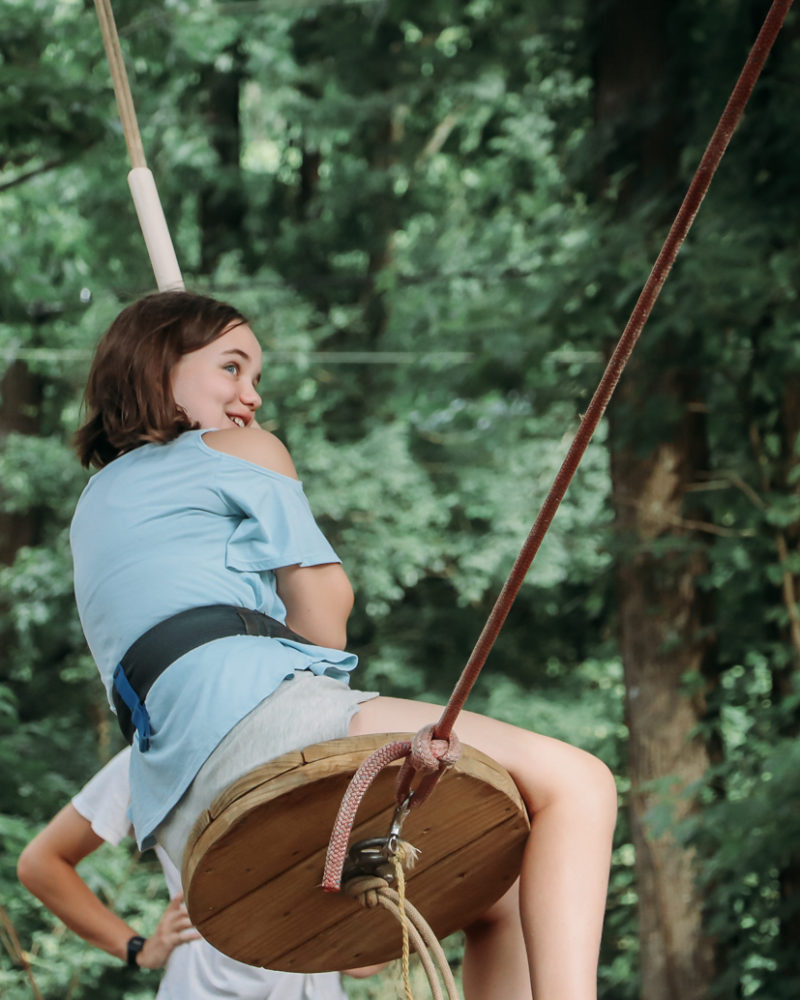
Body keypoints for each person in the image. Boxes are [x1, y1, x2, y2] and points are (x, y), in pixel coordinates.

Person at [69, 290, 618, 1000]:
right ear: (157, 367)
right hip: (256, 726)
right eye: (231, 368)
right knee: (579, 783)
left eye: (256, 378)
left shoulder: (94, 504)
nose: (251, 397)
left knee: (502, 896)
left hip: (178, 806)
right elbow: (327, 622)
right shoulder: (244, 450)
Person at [17, 747, 352, 1000]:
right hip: (202, 987)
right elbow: (41, 864)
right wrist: (137, 949)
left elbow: (363, 965)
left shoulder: (320, 739)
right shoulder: (153, 756)